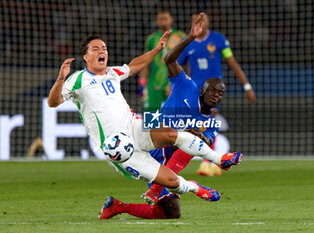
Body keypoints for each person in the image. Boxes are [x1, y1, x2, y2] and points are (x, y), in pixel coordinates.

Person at [47, 13, 241, 220]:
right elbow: (54, 102)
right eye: (96, 49)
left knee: (172, 132)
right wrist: (60, 79)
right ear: (86, 57)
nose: (102, 51)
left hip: (135, 126)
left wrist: (157, 50)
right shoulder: (77, 79)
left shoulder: (112, 73)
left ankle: (220, 159)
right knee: (173, 182)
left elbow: (134, 65)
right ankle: (195, 188)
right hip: (117, 147)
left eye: (104, 48)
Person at [177, 13, 257, 176]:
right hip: (194, 90)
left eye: (202, 20)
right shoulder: (187, 43)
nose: (199, 23)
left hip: (214, 90)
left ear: (208, 22)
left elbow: (232, 62)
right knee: (194, 126)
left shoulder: (219, 40)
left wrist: (247, 86)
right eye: (195, 21)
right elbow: (178, 66)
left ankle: (207, 163)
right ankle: (209, 161)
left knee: (208, 119)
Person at [139, 10, 186, 112]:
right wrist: (142, 83)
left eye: (165, 19)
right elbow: (146, 62)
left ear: (171, 20)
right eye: (160, 19)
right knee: (151, 119)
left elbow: (186, 61)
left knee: (175, 119)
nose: (163, 21)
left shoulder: (181, 36)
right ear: (156, 22)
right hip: (154, 84)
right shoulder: (151, 39)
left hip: (174, 84)